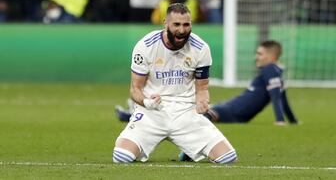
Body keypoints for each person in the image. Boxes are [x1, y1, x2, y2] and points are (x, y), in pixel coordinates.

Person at [113, 3, 237, 164]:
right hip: (152, 113)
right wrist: (146, 102)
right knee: (122, 157)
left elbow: (202, 87)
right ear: (165, 23)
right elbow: (135, 89)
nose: (182, 30)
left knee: (227, 158)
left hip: (185, 113)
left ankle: (189, 151)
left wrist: (202, 101)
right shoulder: (145, 46)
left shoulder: (201, 49)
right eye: (176, 24)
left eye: (186, 24)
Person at [117, 40, 298, 126]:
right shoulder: (276, 73)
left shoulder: (269, 70)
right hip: (233, 109)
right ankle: (134, 113)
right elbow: (282, 97)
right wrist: (294, 122)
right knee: (194, 115)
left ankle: (132, 114)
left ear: (272, 56)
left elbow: (278, 97)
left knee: (195, 116)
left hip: (235, 111)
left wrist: (281, 121)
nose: (256, 57)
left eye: (260, 54)